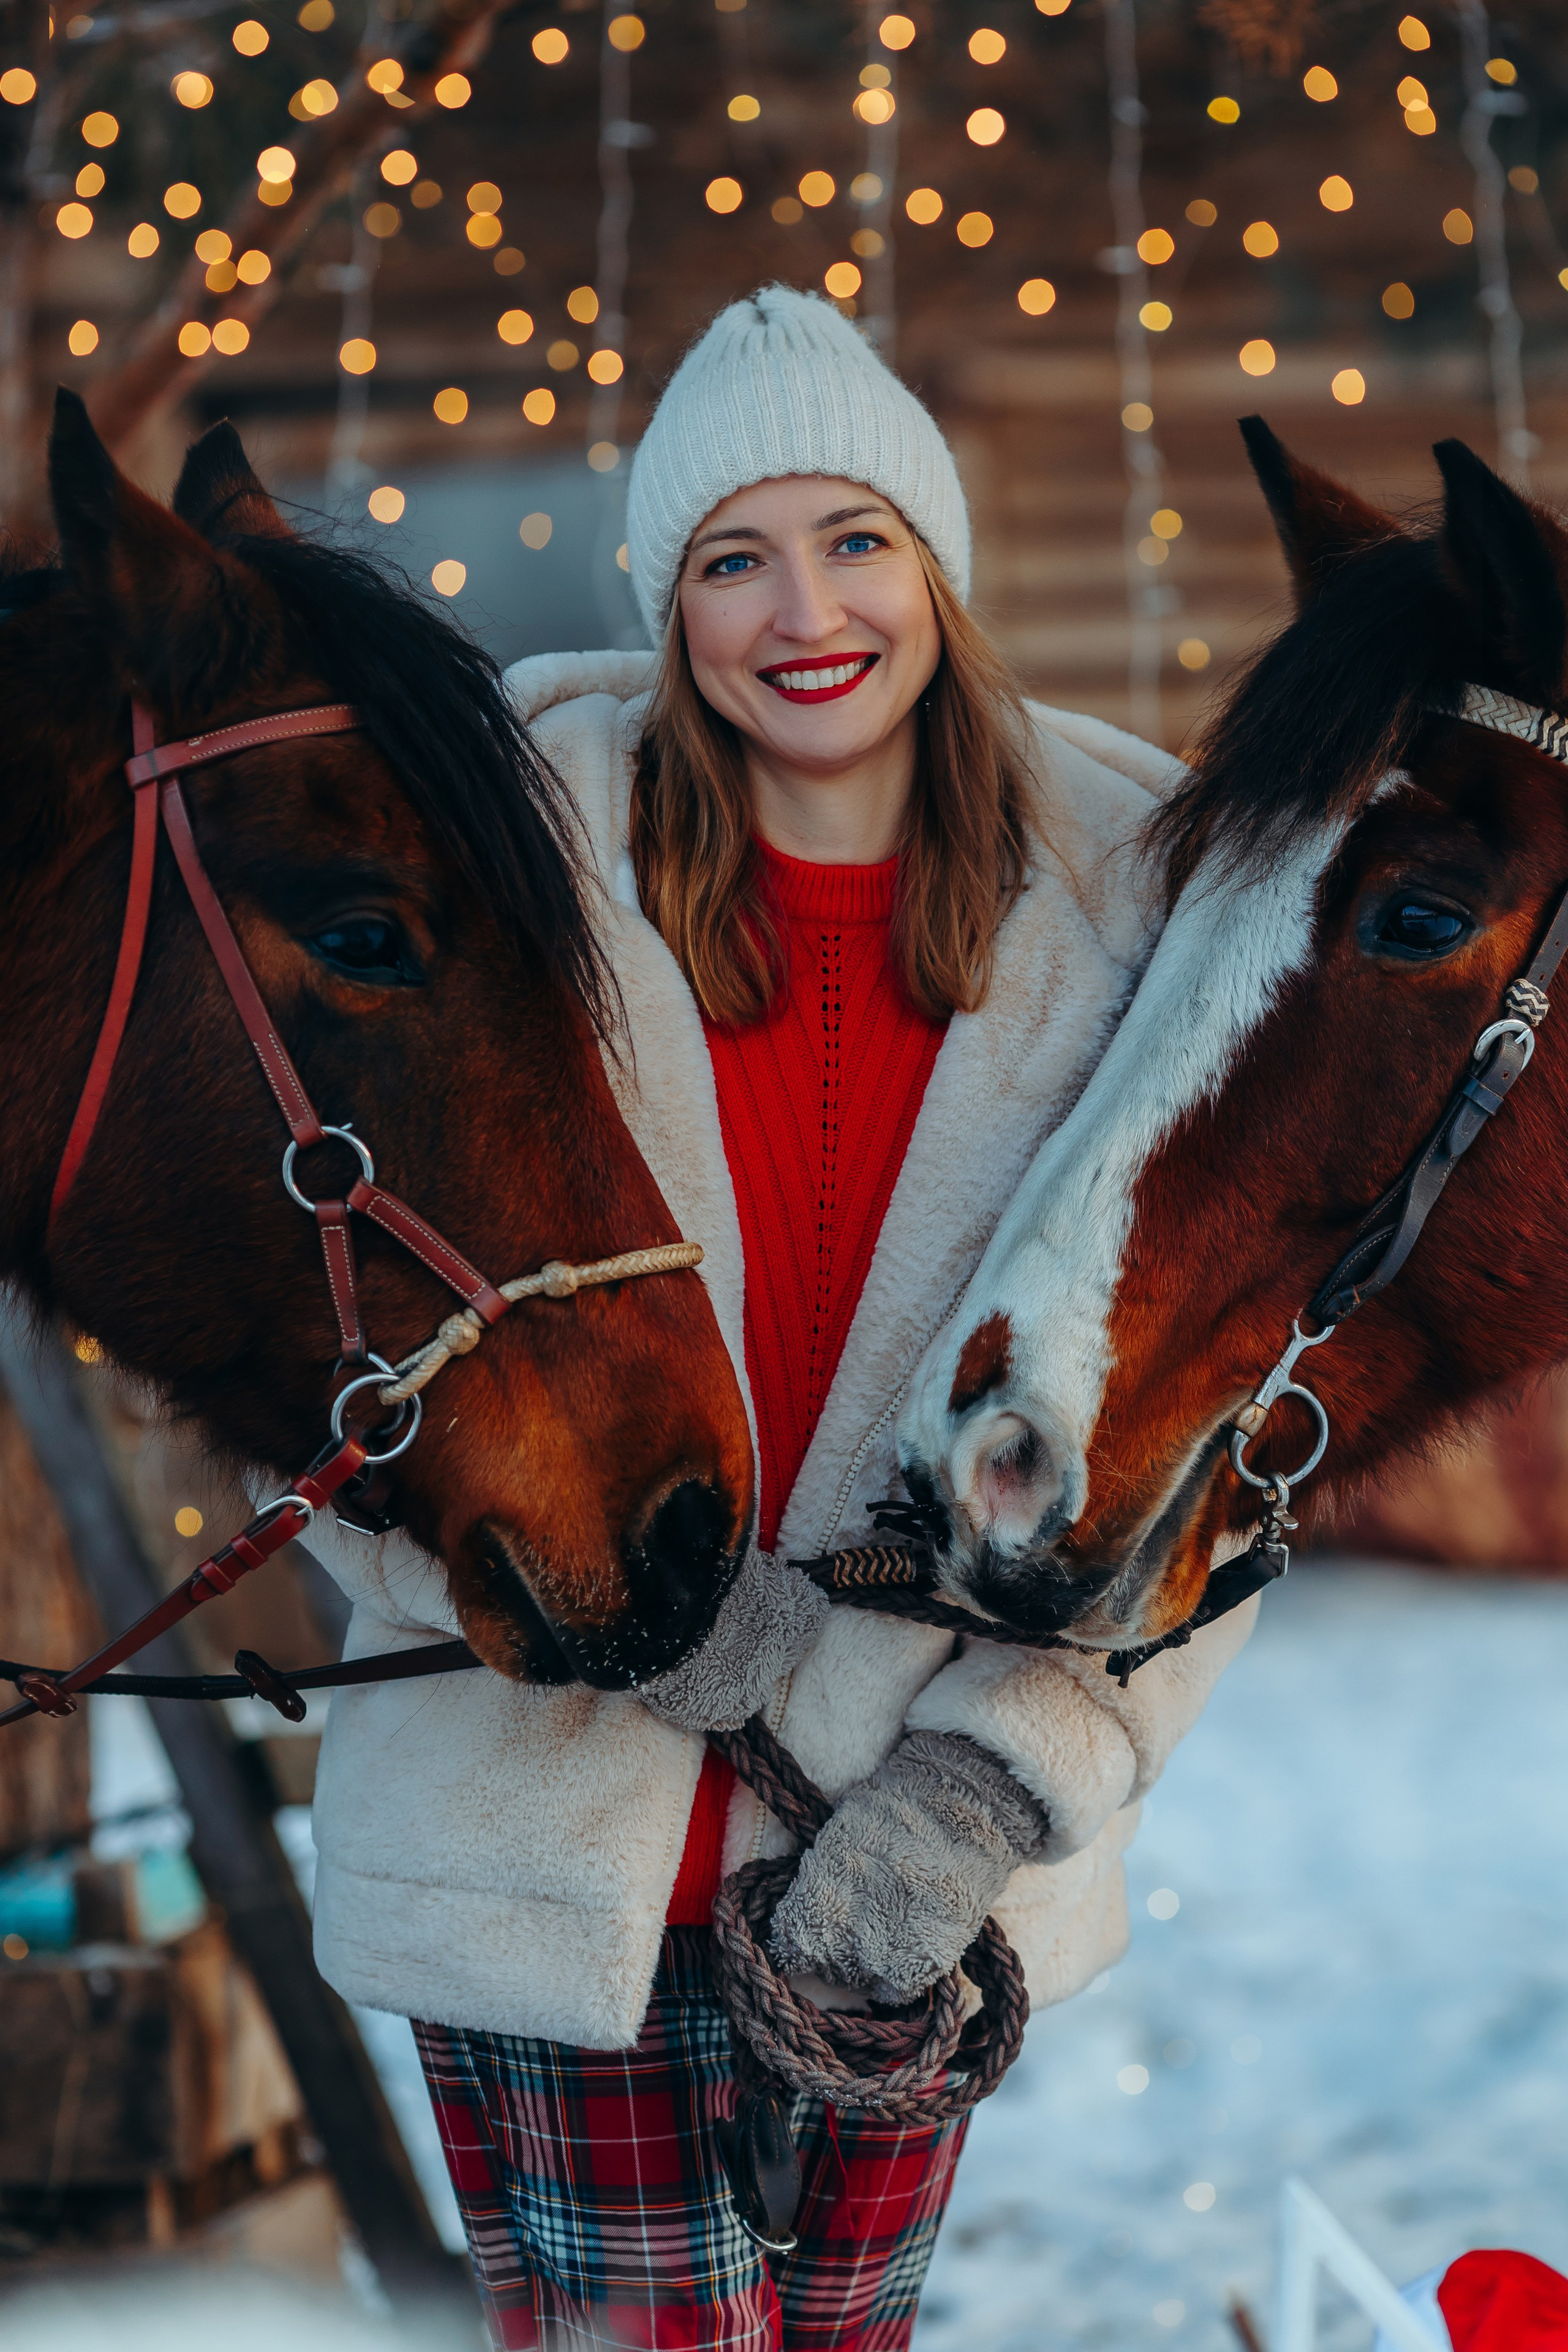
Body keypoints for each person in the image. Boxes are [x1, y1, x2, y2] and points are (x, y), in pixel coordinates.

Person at [305, 287, 1256, 2350]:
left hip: (901, 1845)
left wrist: (997, 1785)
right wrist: (602, 1591)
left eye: (855, 540)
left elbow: (1221, 1429)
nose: (803, 612)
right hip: (552, 1824)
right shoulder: (499, 863)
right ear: (672, 604)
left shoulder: (1139, 903)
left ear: (936, 567)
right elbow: (333, 1315)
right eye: (733, 559)